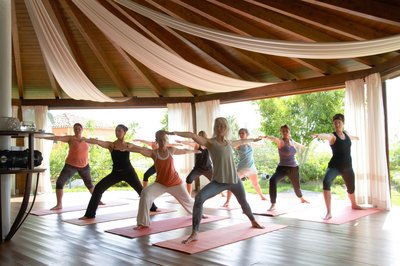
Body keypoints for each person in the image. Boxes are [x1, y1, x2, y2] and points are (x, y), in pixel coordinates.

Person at [172, 117, 264, 244]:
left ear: (226, 128)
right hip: (218, 182)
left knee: (244, 203)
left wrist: (254, 139)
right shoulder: (210, 142)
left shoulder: (229, 142)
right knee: (199, 198)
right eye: (217, 126)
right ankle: (195, 233)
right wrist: (173, 133)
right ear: (215, 128)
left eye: (222, 126)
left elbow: (243, 141)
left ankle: (253, 221)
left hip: (234, 180)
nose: (220, 128)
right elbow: (192, 135)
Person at [79, 124, 156, 219]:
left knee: (141, 190)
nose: (117, 132)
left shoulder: (128, 145)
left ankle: (153, 207)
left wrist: (155, 154)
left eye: (119, 131)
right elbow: (98, 142)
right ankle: (89, 214)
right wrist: (85, 139)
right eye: (116, 130)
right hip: (116, 173)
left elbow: (141, 150)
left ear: (124, 133)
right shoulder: (112, 145)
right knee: (98, 188)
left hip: (129, 173)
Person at [134, 130, 199, 229]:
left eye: (164, 140)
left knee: (188, 201)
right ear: (156, 141)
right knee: (145, 193)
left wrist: (194, 151)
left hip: (175, 183)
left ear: (167, 140)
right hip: (160, 184)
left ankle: (199, 213)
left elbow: (184, 151)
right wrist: (127, 147)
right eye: (160, 140)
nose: (162, 142)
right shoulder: (154, 153)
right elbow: (140, 150)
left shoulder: (171, 150)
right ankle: (143, 223)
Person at [312, 114, 362, 220]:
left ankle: (354, 204)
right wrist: (318, 135)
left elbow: (350, 138)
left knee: (351, 187)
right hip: (334, 166)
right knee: (326, 182)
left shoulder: (346, 133)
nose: (337, 124)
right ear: (333, 124)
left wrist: (356, 138)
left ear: (343, 123)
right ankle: (329, 212)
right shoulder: (333, 136)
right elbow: (327, 136)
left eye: (339, 122)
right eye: (335, 122)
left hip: (347, 166)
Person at [39, 123, 98, 210]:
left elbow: (97, 142)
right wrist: (42, 136)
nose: (77, 130)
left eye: (79, 128)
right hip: (71, 165)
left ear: (82, 129)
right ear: (74, 130)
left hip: (84, 166)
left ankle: (97, 200)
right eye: (75, 129)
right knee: (59, 183)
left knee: (89, 184)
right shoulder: (71, 138)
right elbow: (57, 138)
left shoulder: (86, 140)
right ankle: (59, 204)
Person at [263, 124, 308, 211]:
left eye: (286, 131)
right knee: (272, 180)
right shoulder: (281, 142)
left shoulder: (291, 141)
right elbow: (274, 139)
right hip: (282, 168)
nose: (285, 133)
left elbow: (296, 144)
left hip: (294, 168)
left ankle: (301, 198)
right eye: (283, 131)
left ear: (289, 132)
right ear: (281, 132)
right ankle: (273, 204)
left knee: (297, 187)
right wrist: (267, 137)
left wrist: (302, 146)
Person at [223, 128, 267, 207]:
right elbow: (231, 145)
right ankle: (227, 201)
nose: (241, 135)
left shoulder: (250, 143)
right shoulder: (239, 144)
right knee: (232, 182)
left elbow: (260, 144)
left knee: (255, 183)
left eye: (243, 133)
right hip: (243, 168)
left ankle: (262, 196)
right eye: (240, 133)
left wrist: (262, 138)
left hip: (251, 167)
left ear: (247, 134)